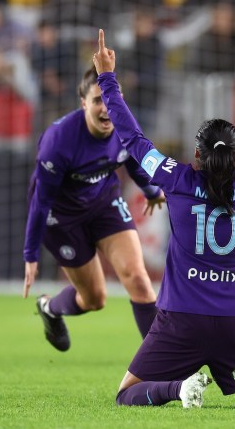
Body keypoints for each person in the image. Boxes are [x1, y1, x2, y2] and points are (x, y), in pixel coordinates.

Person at [94, 28, 235, 409]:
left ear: (197, 154)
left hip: (181, 317)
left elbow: (132, 140)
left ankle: (178, 390)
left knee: (127, 394)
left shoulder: (175, 178)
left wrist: (108, 79)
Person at [22, 66, 166, 352]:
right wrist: (31, 253)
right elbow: (41, 201)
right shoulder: (58, 141)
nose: (106, 108)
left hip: (103, 203)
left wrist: (151, 191)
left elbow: (132, 159)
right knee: (94, 299)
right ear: (83, 103)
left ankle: (162, 362)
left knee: (137, 277)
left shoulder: (125, 126)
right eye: (97, 100)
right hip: (61, 219)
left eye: (111, 100)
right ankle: (51, 308)